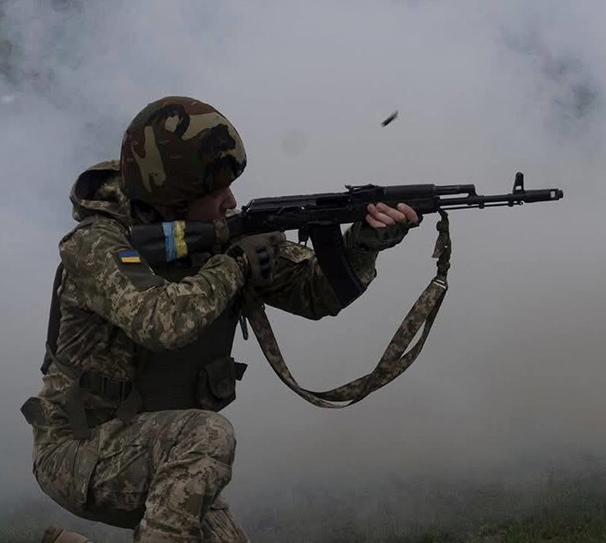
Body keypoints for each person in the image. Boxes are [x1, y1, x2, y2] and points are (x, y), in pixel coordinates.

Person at [23, 97, 427, 543]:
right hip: (79, 449)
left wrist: (362, 244)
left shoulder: (220, 234)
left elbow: (315, 295)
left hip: (168, 455)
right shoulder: (98, 244)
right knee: (209, 434)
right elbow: (161, 321)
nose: (231, 202)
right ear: (172, 199)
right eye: (216, 194)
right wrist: (234, 265)